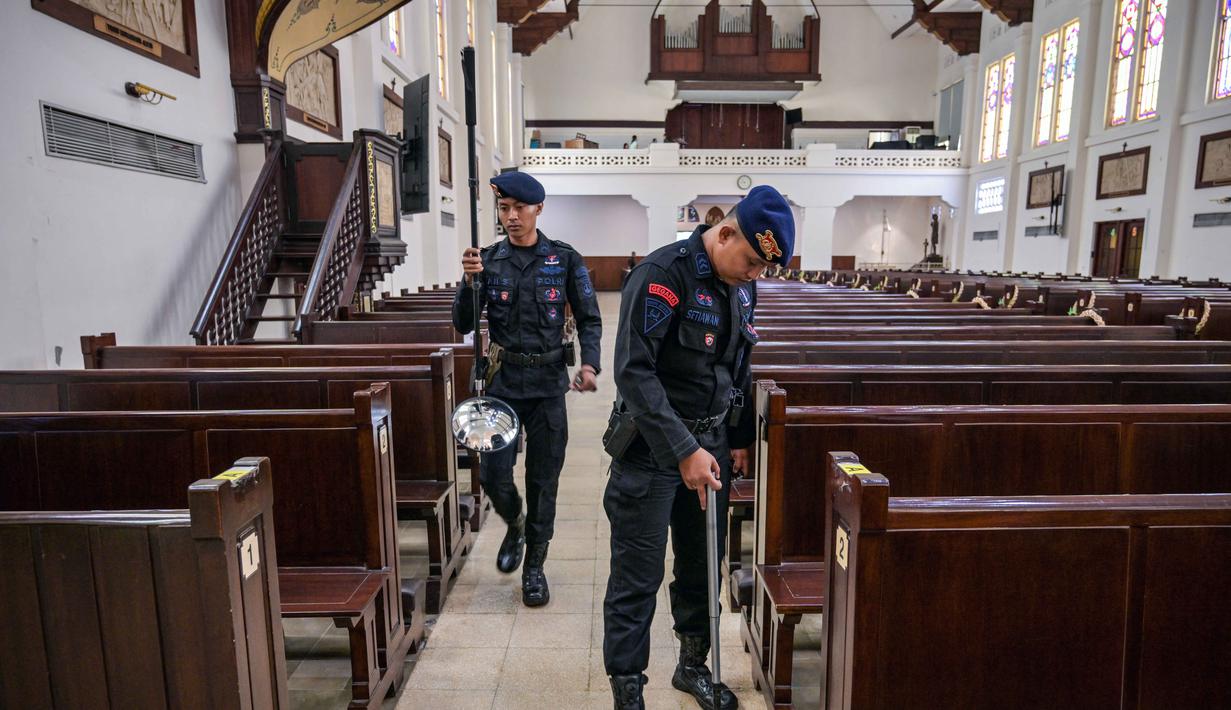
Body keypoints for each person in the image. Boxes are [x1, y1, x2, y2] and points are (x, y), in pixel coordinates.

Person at [602, 186, 794, 708]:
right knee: (636, 577)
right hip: (652, 449)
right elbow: (634, 373)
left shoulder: (743, 287)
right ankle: (627, 689)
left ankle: (692, 666)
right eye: (752, 261)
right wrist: (684, 449)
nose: (755, 275)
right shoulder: (663, 276)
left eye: (763, 269)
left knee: (700, 566)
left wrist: (735, 440)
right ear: (725, 232)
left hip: (709, 447)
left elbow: (736, 369)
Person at [453, 171, 603, 607]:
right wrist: (468, 284)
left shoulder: (565, 259)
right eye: (504, 209)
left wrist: (590, 363)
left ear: (539, 209)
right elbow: (463, 323)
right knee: (496, 475)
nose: (511, 217)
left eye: (519, 208)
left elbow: (591, 318)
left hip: (548, 388)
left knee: (543, 482)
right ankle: (515, 524)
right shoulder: (486, 260)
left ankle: (534, 566)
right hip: (501, 386)